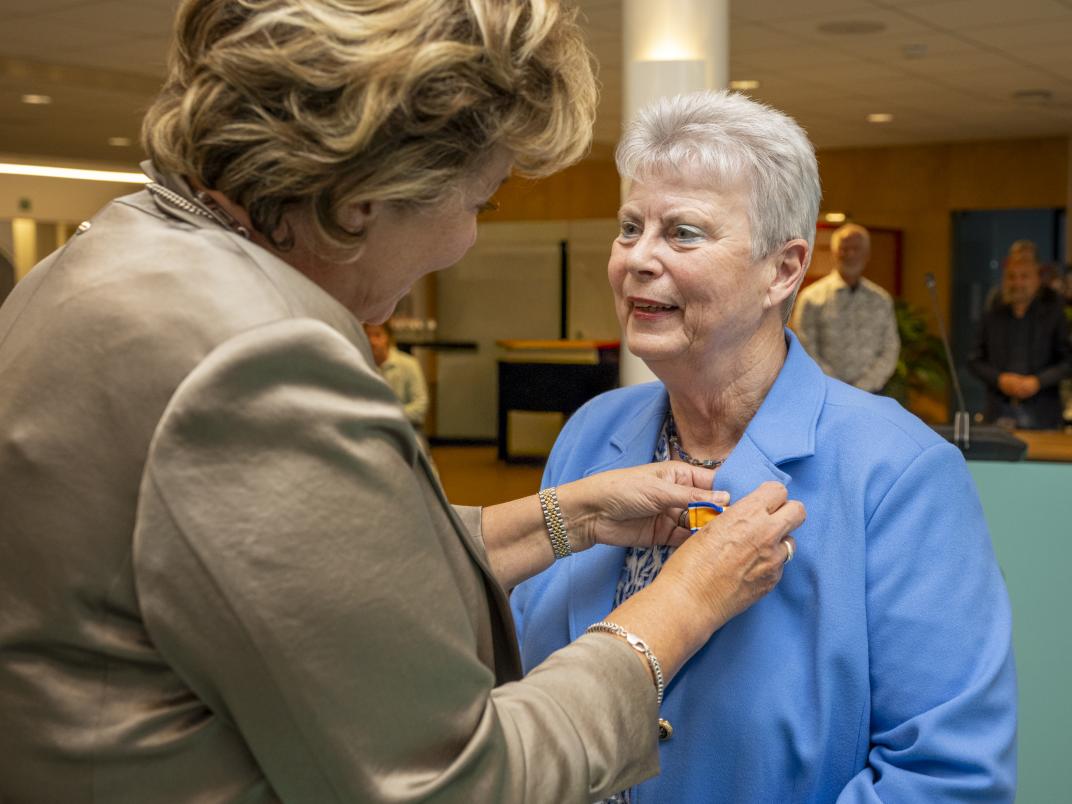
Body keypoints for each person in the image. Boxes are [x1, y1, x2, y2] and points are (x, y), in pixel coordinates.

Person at [0, 2, 806, 801]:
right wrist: (683, 604)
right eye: (476, 201)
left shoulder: (105, 257)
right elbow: (452, 782)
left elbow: (299, 570)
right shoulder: (258, 361)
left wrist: (565, 519)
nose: (466, 240)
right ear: (366, 196)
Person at [512, 90, 1017, 803]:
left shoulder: (898, 472)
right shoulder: (592, 431)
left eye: (682, 233)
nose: (638, 259)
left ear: (782, 270)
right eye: (631, 228)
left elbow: (945, 777)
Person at [969, 248, 1071, 429]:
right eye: (1012, 276)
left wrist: (1038, 382)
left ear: (1037, 279)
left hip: (1043, 416)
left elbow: (1068, 362)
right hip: (998, 414)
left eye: (1024, 276)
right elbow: (974, 360)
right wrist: (1000, 379)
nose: (1017, 282)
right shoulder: (992, 314)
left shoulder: (1054, 314)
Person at [791, 222, 900, 392]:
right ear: (833, 254)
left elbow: (890, 348)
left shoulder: (881, 300)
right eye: (844, 248)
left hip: (871, 395)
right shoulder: (811, 298)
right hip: (823, 392)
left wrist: (863, 387)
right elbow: (805, 347)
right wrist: (838, 388)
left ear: (867, 255)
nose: (850, 254)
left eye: (856, 248)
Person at [364, 320, 430, 430]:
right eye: (368, 335)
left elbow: (420, 406)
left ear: (388, 338)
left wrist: (389, 415)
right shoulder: (361, 363)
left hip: (405, 428)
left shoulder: (408, 364)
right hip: (371, 429)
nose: (372, 341)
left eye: (377, 335)